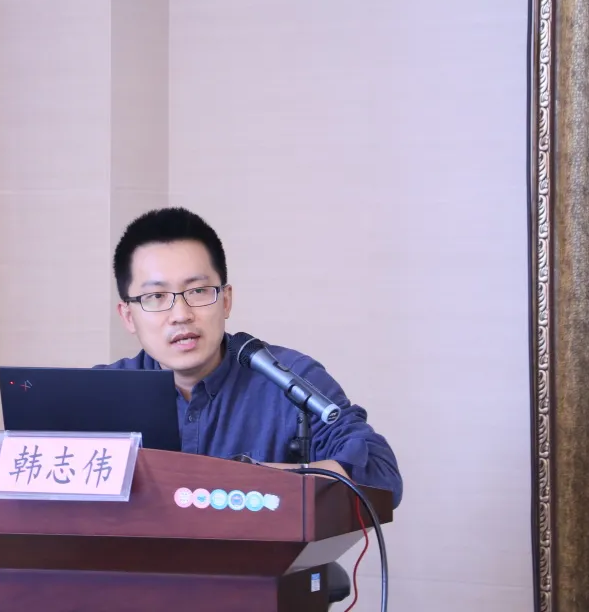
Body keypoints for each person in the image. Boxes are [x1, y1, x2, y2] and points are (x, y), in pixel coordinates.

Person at [97, 206, 403, 508]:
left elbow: (380, 475)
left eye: (198, 291)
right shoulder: (101, 394)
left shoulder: (287, 378)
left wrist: (245, 477)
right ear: (128, 316)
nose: (181, 314)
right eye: (156, 296)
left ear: (226, 301)